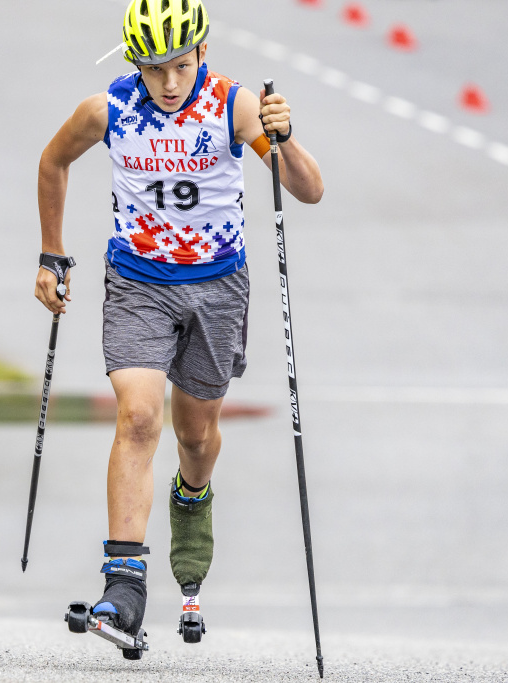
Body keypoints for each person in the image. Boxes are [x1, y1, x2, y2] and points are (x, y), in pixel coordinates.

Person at [35, 0, 323, 646]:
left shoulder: (234, 106)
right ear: (134, 63)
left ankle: (192, 496)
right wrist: (52, 254)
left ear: (202, 54)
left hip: (217, 286)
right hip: (137, 282)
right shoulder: (109, 110)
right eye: (154, 68)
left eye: (181, 66)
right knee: (139, 416)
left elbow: (309, 189)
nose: (169, 82)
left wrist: (283, 136)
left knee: (196, 437)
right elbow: (52, 162)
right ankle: (124, 584)